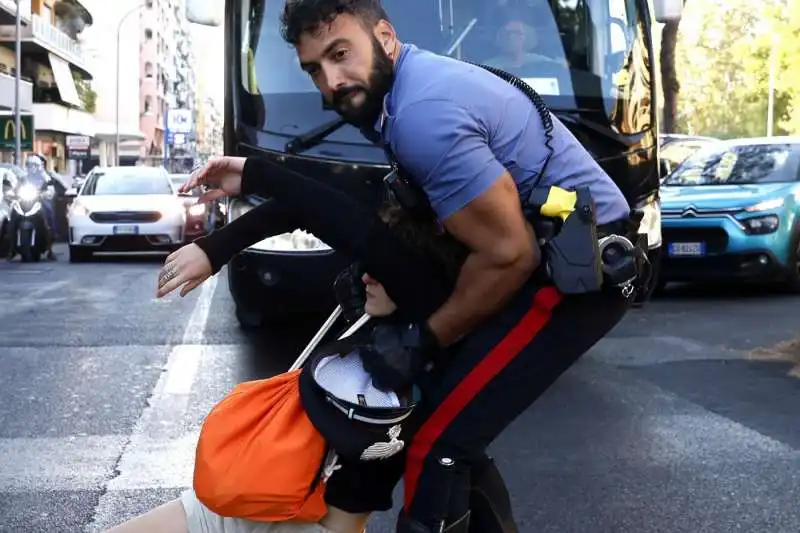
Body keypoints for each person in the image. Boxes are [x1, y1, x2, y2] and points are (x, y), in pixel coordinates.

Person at [163, 0, 638, 530]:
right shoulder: (399, 96)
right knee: (449, 429)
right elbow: (351, 203)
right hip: (538, 253)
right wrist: (230, 229)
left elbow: (509, 255)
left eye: (341, 54)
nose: (332, 81)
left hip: (576, 275)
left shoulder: (420, 114)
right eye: (315, 68)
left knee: (440, 445)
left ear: (385, 38)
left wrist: (421, 340)